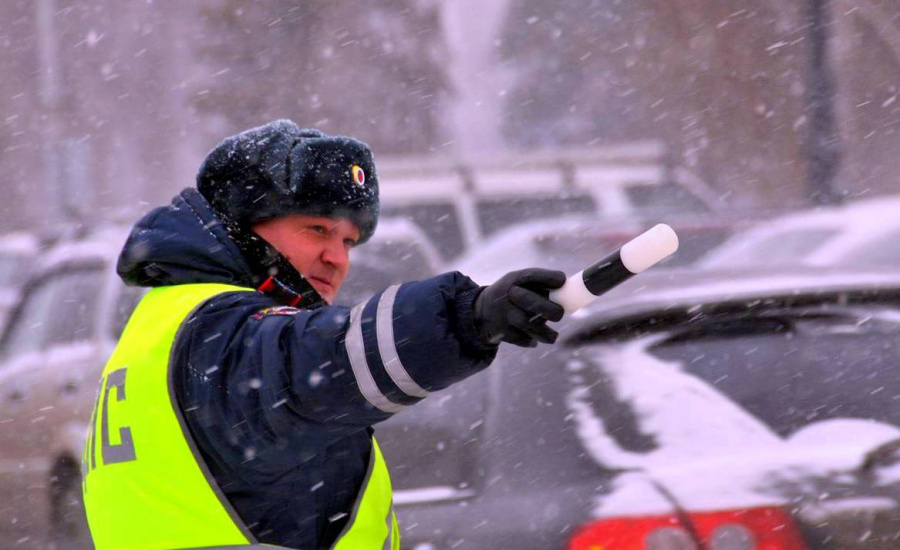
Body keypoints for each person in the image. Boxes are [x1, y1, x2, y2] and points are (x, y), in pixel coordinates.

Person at [81, 119, 566, 550]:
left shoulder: (167, 323)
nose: (338, 258)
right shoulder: (219, 332)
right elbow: (318, 363)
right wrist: (466, 317)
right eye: (317, 229)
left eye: (348, 241)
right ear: (241, 228)